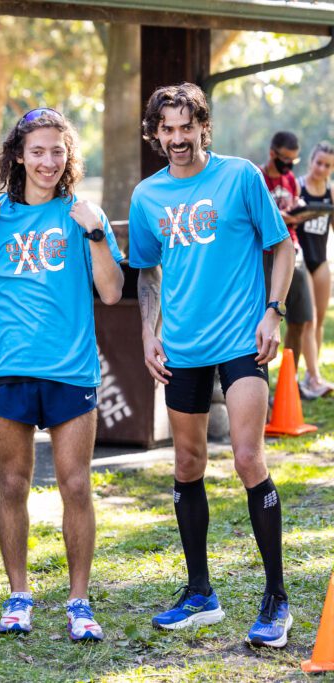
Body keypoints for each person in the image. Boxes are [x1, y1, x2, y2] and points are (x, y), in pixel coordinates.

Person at [0, 107, 123, 641]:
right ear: (18, 155)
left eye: (57, 151)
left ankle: (79, 602)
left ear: (68, 157)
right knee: (12, 482)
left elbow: (111, 292)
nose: (47, 161)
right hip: (8, 370)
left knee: (76, 483)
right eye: (37, 151)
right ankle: (18, 595)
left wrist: (98, 235)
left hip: (70, 370)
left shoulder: (84, 215)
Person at [129, 83, 294, 648]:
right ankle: (200, 593)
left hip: (242, 342)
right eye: (166, 130)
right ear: (155, 134)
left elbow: (283, 246)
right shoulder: (146, 196)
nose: (177, 139)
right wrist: (149, 333)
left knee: (248, 457)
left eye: (186, 127)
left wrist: (272, 312)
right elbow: (146, 274)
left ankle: (276, 600)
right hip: (182, 348)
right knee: (187, 462)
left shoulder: (240, 176)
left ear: (202, 126)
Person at [260, 132, 325, 398]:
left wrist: (298, 212)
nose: (289, 164)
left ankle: (289, 383)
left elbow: (293, 207)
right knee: (262, 325)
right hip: (265, 257)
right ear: (273, 153)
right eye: (285, 159)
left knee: (301, 320)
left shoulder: (290, 181)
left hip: (292, 254)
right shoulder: (259, 178)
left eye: (293, 159)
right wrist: (281, 217)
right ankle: (259, 387)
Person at [298, 141, 334, 392]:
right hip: (300, 258)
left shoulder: (331, 193)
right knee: (309, 319)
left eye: (328, 165)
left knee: (319, 321)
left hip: (320, 259)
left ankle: (310, 378)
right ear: (311, 161)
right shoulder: (298, 187)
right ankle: (314, 376)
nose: (321, 168)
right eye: (319, 162)